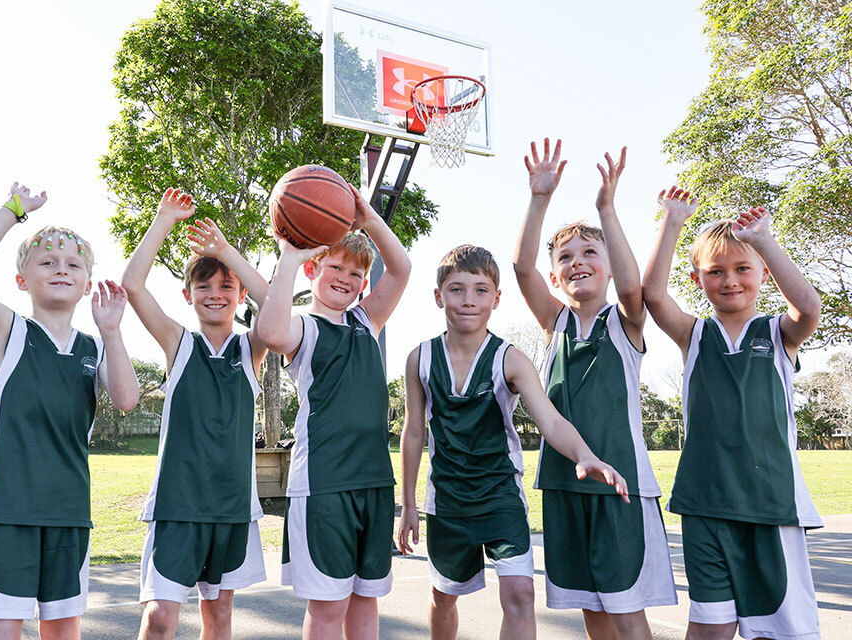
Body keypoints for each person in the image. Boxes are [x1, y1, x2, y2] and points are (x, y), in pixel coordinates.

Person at [398, 244, 630, 640]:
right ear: (439, 296)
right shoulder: (420, 358)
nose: (468, 300)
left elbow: (551, 421)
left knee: (521, 593)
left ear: (496, 298)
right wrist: (408, 506)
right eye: (456, 289)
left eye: (480, 290)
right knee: (443, 598)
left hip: (500, 496)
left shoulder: (510, 359)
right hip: (448, 502)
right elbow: (414, 431)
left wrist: (585, 455)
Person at [0, 182, 139, 640]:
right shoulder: (8, 332)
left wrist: (113, 332)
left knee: (63, 631)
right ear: (22, 279)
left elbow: (127, 398)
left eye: (73, 263)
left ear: (87, 283)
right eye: (47, 261)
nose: (61, 268)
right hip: (5, 510)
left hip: (69, 512)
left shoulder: (93, 346)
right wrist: (13, 211)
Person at [512, 138, 677, 639]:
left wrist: (606, 208)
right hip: (564, 485)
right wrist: (539, 198)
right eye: (566, 257)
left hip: (621, 488)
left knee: (626, 613)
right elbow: (521, 269)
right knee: (594, 612)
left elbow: (634, 288)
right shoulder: (555, 324)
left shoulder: (624, 323)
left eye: (590, 252)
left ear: (607, 264)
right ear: (556, 275)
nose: (578, 261)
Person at [643, 187, 822, 640]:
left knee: (777, 630)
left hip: (769, 504)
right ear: (698, 278)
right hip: (704, 503)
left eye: (743, 269)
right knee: (710, 626)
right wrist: (673, 223)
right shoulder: (695, 335)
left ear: (763, 273)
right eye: (715, 271)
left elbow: (808, 307)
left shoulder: (778, 334)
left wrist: (764, 240)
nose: (730, 280)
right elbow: (653, 295)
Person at [256, 184, 411, 640]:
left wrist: (368, 220)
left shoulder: (367, 320)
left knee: (366, 605)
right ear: (313, 268)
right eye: (336, 266)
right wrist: (287, 255)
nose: (346, 277)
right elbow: (270, 328)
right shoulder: (304, 327)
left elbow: (401, 270)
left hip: (375, 482)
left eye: (357, 272)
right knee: (329, 609)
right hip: (324, 484)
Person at [121, 188, 270, 640]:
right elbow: (132, 285)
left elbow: (274, 301)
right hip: (178, 505)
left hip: (231, 507)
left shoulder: (252, 347)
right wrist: (163, 219)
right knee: (160, 618)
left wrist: (227, 253)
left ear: (240, 293)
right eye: (204, 285)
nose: (215, 294)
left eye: (227, 285)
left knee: (219, 615)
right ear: (188, 294)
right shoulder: (179, 344)